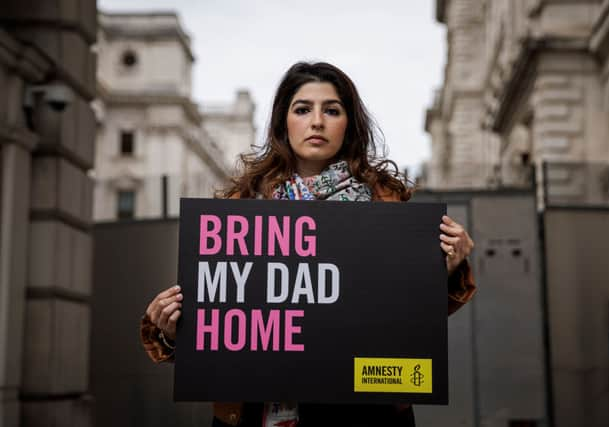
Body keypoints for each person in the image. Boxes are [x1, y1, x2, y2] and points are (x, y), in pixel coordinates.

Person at [140, 62, 476, 427]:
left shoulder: (386, 206)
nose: (317, 121)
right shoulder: (241, 210)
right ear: (284, 122)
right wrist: (172, 329)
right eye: (303, 109)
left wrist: (444, 271)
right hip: (259, 413)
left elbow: (407, 322)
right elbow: (222, 326)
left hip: (365, 413)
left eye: (331, 110)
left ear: (349, 124)